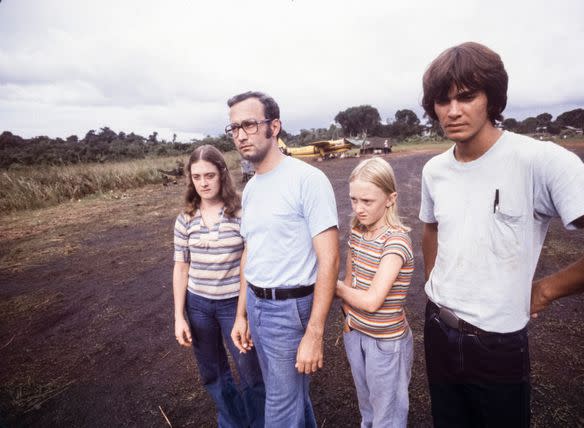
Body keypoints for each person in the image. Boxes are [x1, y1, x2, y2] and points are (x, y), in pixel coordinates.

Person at [419, 42, 584, 427]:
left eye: (467, 96)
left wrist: (545, 289)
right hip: (437, 329)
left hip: (496, 344)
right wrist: (436, 288)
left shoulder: (539, 160)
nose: (453, 111)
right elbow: (432, 227)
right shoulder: (434, 170)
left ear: (493, 98)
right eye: (442, 100)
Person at [227, 91, 340, 427]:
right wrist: (241, 314)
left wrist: (315, 333)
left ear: (274, 126)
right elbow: (252, 252)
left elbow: (330, 259)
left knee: (279, 405)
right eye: (233, 128)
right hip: (258, 305)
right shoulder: (251, 187)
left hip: (290, 308)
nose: (241, 134)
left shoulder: (307, 180)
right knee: (291, 398)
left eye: (249, 124)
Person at [173, 144, 265, 427]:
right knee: (213, 373)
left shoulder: (240, 214)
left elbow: (248, 267)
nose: (203, 182)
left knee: (249, 371)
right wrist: (179, 316)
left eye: (209, 175)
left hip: (232, 305)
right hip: (198, 306)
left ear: (222, 174)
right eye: (197, 176)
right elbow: (181, 266)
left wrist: (242, 314)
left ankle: (259, 422)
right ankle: (233, 423)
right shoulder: (185, 218)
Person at [336, 157, 414, 427]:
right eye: (353, 200)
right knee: (367, 407)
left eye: (367, 201)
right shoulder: (357, 232)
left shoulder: (396, 241)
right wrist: (348, 321)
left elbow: (371, 301)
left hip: (385, 343)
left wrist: (332, 287)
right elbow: (351, 279)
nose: (358, 208)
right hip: (356, 335)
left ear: (390, 198)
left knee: (388, 416)